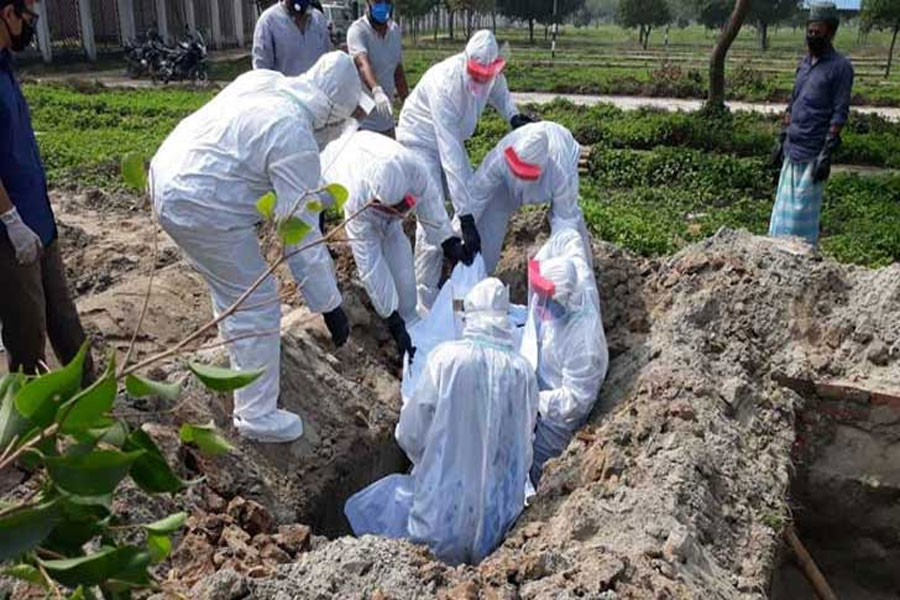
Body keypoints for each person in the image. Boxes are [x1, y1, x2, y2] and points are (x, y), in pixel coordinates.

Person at [150, 52, 373, 443]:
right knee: (256, 301)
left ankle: (239, 357)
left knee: (234, 285)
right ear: (332, 115)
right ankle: (256, 415)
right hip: (199, 202)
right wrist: (330, 304)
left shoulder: (268, 82)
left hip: (166, 174)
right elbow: (299, 240)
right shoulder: (295, 135)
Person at [344, 278, 539, 565]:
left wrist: (427, 463)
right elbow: (523, 448)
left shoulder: (447, 359)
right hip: (498, 533)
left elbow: (411, 433)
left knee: (371, 506)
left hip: (435, 527)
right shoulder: (523, 372)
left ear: (469, 314)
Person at [396, 29, 535, 309]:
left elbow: (499, 90)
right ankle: (426, 299)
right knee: (432, 211)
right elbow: (451, 157)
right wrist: (467, 218)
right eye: (476, 74)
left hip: (449, 140)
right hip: (420, 141)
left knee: (472, 195)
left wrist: (513, 114)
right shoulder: (445, 84)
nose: (481, 80)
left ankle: (461, 270)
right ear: (466, 61)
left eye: (487, 75)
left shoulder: (488, 76)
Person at [0, 0, 94, 382]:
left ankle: (94, 398)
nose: (32, 26)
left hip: (39, 218)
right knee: (27, 331)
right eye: (29, 16)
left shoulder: (5, 64)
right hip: (10, 230)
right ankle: (31, 427)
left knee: (64, 317)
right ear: (8, 14)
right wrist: (11, 220)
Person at [321, 130, 467, 361]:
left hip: (371, 156)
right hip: (332, 167)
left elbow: (430, 203)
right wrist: (390, 316)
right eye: (393, 208)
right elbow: (370, 263)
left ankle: (411, 318)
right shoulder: (356, 198)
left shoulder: (415, 170)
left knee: (401, 263)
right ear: (376, 200)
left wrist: (447, 240)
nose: (399, 211)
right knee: (314, 218)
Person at [521, 227, 608, 486]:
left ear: (564, 301)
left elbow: (575, 401)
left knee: (539, 465)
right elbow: (568, 236)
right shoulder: (576, 271)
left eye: (547, 302)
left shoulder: (585, 345)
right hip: (542, 383)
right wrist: (541, 260)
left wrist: (533, 399)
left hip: (556, 423)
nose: (540, 306)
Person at [768, 1, 853, 246]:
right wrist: (781, 138)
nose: (812, 36)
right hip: (793, 146)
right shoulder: (804, 65)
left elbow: (839, 112)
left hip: (813, 152)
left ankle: (802, 259)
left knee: (800, 217)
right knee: (781, 217)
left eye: (818, 32)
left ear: (831, 33)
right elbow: (793, 103)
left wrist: (826, 152)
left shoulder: (840, 68)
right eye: (810, 32)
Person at [466, 121, 588, 275]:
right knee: (491, 216)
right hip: (506, 184)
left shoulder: (562, 173)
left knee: (571, 235)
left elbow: (565, 220)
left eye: (526, 176)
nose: (520, 180)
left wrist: (546, 257)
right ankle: (481, 274)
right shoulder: (501, 155)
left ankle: (579, 276)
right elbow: (477, 192)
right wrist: (461, 228)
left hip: (558, 181)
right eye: (517, 172)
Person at [346, 0, 408, 137]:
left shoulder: (394, 30)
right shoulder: (358, 31)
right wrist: (376, 90)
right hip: (363, 123)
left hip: (386, 120)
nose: (383, 6)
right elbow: (362, 64)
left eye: (387, 1)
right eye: (378, 1)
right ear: (368, 3)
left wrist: (407, 102)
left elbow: (397, 70)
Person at [252, 0, 332, 77]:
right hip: (283, 90)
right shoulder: (268, 22)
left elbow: (327, 62)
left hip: (315, 90)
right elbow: (262, 73)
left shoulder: (319, 20)